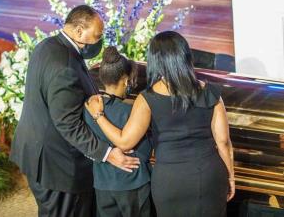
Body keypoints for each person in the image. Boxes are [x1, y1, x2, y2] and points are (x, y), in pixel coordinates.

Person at [85, 31, 235, 217]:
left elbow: (125, 142)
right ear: (185, 56)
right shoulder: (211, 93)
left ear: (155, 60)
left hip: (170, 180)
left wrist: (98, 116)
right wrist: (230, 176)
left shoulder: (147, 99)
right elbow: (223, 142)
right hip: (209, 175)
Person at [10, 5, 140, 217]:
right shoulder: (65, 68)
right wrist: (107, 154)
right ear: (79, 31)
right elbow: (68, 124)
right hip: (57, 165)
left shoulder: (48, 45)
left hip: (36, 153)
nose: (99, 42)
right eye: (97, 36)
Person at [84, 46, 152, 217]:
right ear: (126, 80)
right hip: (133, 183)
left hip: (103, 184)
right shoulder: (130, 112)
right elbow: (145, 151)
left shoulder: (89, 108)